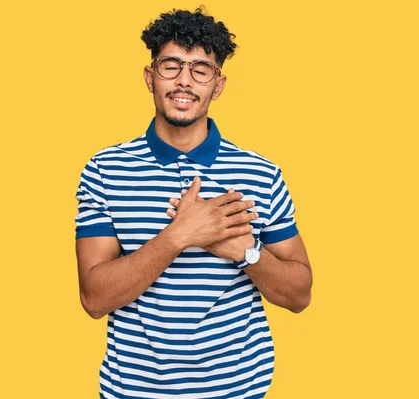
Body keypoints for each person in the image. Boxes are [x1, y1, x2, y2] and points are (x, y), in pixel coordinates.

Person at [75, 7, 312, 399]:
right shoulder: (105, 170)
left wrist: (245, 252)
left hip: (240, 390)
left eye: (201, 70)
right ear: (150, 76)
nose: (184, 81)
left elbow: (300, 295)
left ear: (217, 85)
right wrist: (178, 236)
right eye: (171, 66)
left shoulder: (261, 173)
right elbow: (94, 299)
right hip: (133, 391)